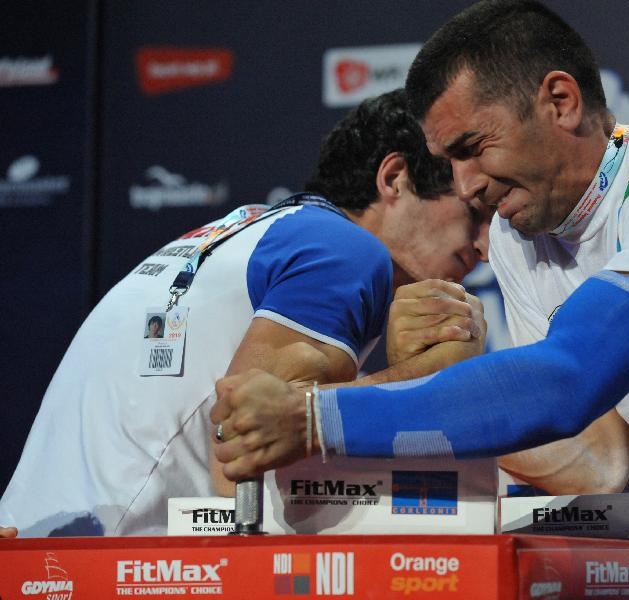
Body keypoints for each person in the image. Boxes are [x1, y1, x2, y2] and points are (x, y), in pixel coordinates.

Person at [210, 1, 629, 596]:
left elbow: (564, 384)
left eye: (472, 147)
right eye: (447, 162)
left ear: (560, 101)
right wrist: (440, 367)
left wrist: (314, 418)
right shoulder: (521, 241)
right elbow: (587, 457)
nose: (465, 184)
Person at [0, 88, 491, 538]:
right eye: (475, 211)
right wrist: (434, 375)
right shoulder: (345, 252)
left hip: (40, 550)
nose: (487, 246)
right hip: (100, 563)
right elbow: (240, 461)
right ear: (394, 179)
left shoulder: (270, 228)